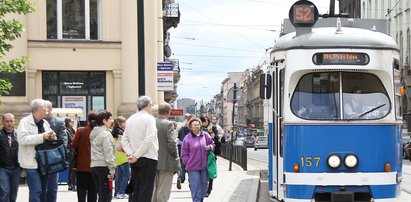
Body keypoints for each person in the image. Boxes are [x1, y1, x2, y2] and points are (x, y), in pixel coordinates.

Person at [17, 99, 57, 202]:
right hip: (31, 163)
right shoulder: (24, 122)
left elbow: (49, 139)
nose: (47, 111)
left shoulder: (45, 123)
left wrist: (52, 137)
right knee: (36, 191)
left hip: (44, 162)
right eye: (45, 108)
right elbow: (22, 139)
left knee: (43, 191)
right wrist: (42, 136)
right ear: (39, 109)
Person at [121, 95, 158, 202]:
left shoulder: (130, 119)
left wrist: (131, 154)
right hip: (148, 157)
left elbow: (124, 139)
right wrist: (136, 155)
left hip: (133, 158)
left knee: (136, 188)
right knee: (146, 189)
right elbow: (149, 139)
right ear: (148, 106)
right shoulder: (150, 119)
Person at [181, 118, 215, 202]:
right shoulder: (187, 138)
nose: (197, 126)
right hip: (193, 167)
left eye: (198, 124)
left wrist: (210, 147)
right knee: (195, 186)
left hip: (204, 166)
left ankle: (200, 200)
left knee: (204, 186)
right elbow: (184, 152)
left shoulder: (205, 135)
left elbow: (212, 144)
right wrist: (187, 162)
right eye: (195, 125)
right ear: (191, 127)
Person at [152, 102, 180, 202]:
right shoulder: (168, 124)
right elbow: (171, 143)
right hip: (166, 161)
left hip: (152, 160)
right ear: (168, 112)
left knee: (154, 190)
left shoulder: (152, 122)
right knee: (163, 191)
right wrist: (176, 157)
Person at [44, 100, 68, 202]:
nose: (44, 110)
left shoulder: (58, 122)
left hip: (53, 159)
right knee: (39, 189)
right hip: (38, 159)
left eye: (46, 108)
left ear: (51, 109)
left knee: (52, 188)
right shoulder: (36, 122)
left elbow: (64, 141)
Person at [71, 112, 98, 202]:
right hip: (96, 166)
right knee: (93, 190)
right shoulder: (101, 132)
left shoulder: (81, 131)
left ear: (88, 120)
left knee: (81, 189)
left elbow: (73, 145)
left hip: (82, 165)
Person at [90, 110, 115, 202]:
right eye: (111, 118)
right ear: (104, 121)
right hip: (104, 166)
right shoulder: (106, 134)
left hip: (94, 166)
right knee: (106, 195)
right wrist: (112, 168)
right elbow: (108, 152)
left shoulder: (94, 133)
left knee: (101, 194)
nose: (112, 121)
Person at [0, 113, 20, 202]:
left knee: (13, 193)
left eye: (11, 121)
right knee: (5, 191)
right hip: (2, 168)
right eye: (7, 121)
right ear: (2, 121)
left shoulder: (18, 134)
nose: (9, 123)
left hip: (16, 168)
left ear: (14, 121)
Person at [112, 116, 130, 199]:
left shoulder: (114, 131)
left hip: (117, 156)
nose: (125, 124)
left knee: (119, 176)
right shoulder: (121, 132)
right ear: (119, 123)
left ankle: (117, 192)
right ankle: (121, 192)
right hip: (123, 156)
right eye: (123, 122)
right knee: (127, 175)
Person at [176, 113, 193, 189]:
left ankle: (180, 178)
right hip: (191, 151)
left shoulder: (181, 127)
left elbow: (177, 139)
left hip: (181, 150)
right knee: (191, 167)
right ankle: (191, 183)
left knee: (183, 166)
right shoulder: (193, 129)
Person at [65, 117, 77, 191]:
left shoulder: (73, 130)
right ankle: (71, 184)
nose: (72, 123)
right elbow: (69, 141)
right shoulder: (66, 131)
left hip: (74, 151)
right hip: (70, 151)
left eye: (73, 121)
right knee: (71, 168)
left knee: (73, 168)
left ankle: (72, 183)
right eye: (71, 121)